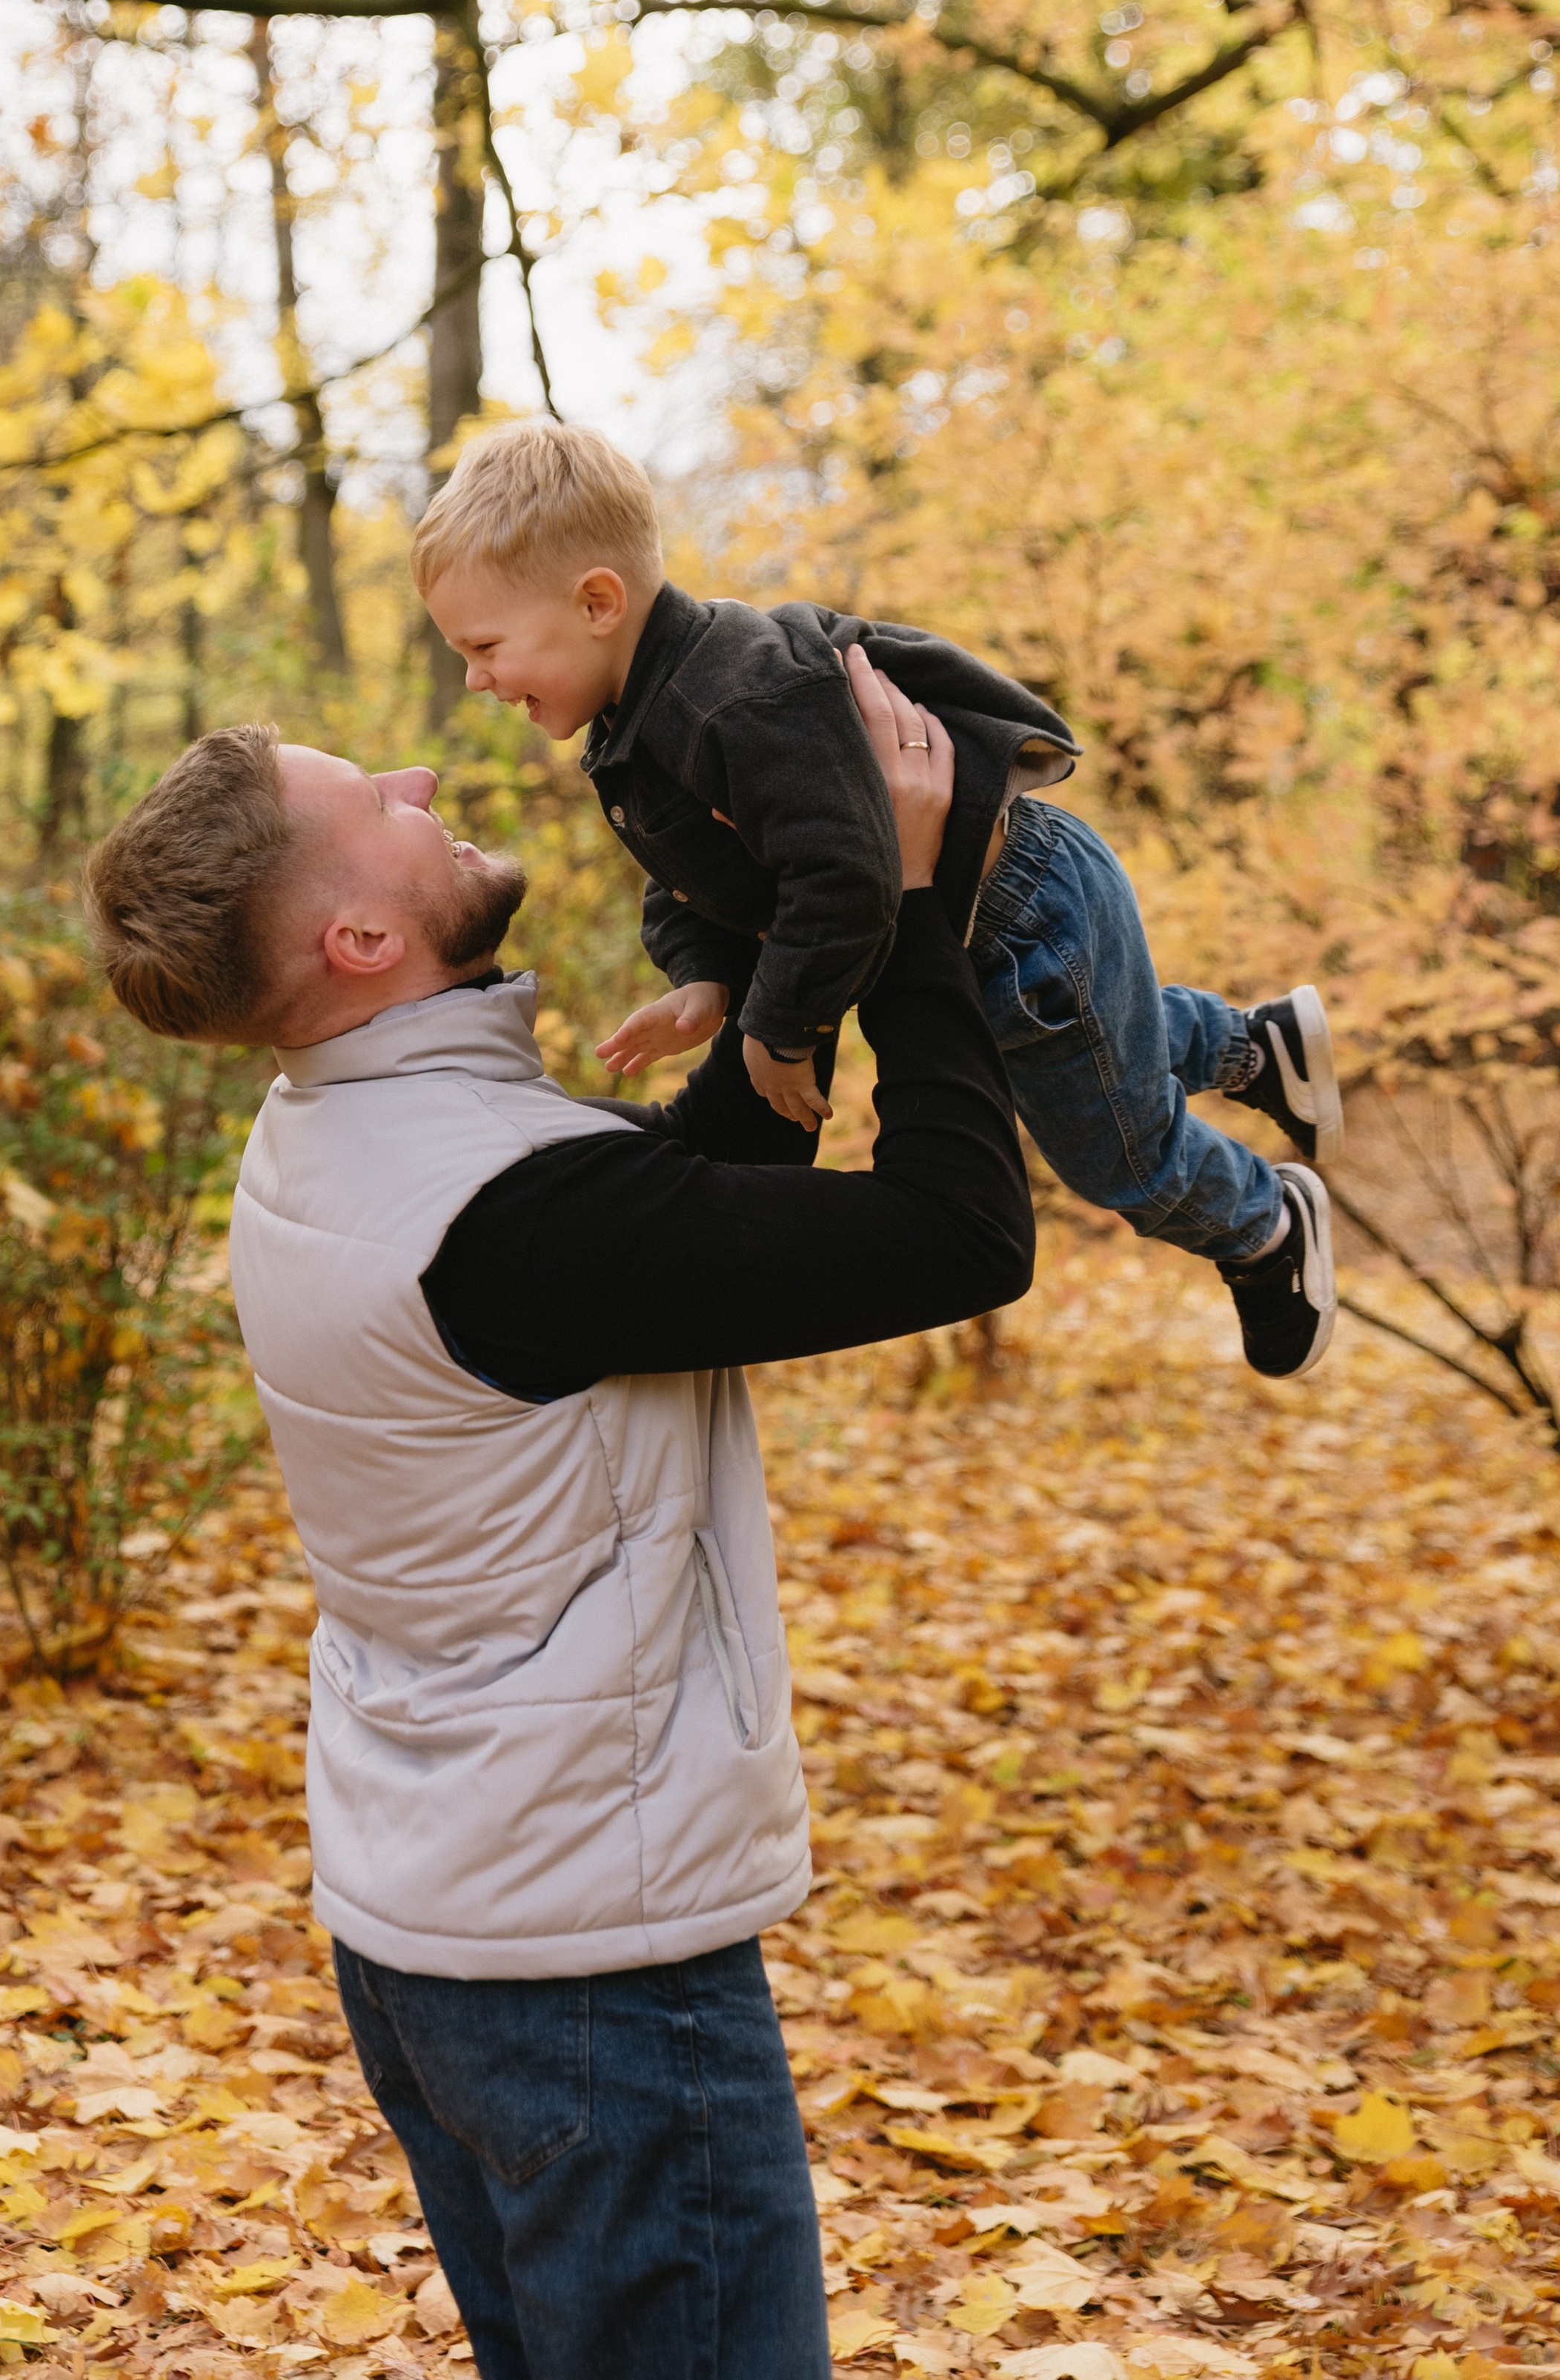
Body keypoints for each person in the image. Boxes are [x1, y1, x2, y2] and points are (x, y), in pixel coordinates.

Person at [82, 653, 1034, 2380]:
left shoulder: (337, 1135)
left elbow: (670, 1217)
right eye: (373, 802)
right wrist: (905, 905)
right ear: (359, 939)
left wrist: (794, 954)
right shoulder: (499, 1211)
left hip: (442, 1923)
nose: (421, 782)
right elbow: (961, 1231)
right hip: (591, 1981)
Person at [414, 418, 1343, 1383]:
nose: (476, 678)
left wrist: (780, 1030)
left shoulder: (730, 700)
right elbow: (702, 869)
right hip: (997, 914)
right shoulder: (652, 717)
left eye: (485, 646)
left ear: (597, 602)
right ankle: (1255, 1046)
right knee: (1096, 1058)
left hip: (1021, 912)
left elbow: (848, 873)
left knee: (1118, 1152)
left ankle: (1267, 1225)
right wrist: (707, 977)